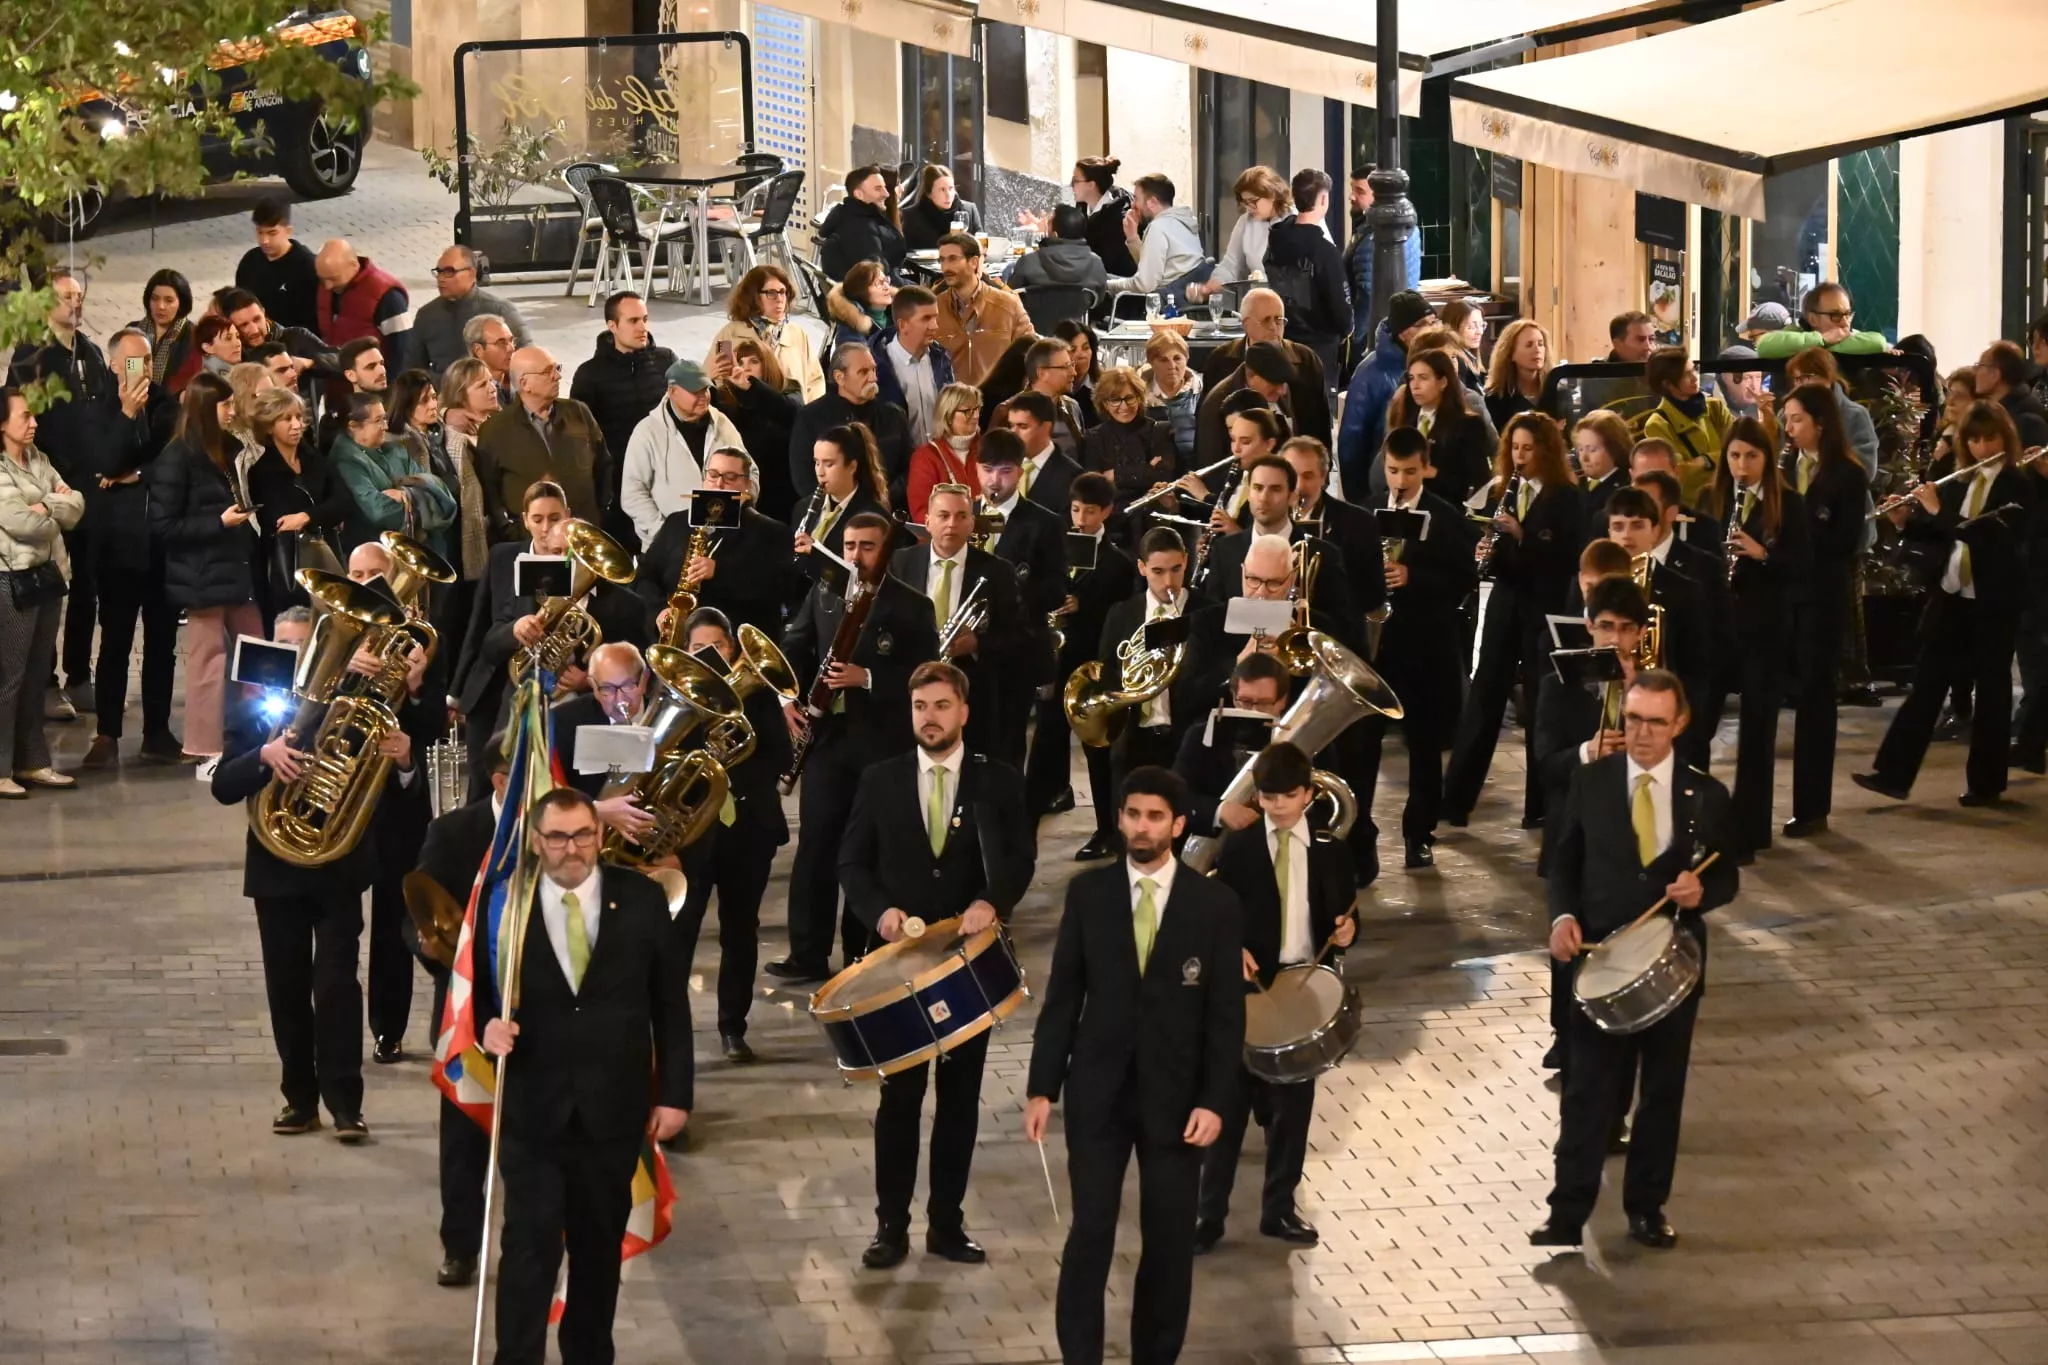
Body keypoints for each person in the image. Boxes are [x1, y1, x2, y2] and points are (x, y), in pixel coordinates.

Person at [1025, 765, 1243, 1365]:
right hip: (1098, 1094)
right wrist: (1043, 1086)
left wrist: (1215, 1100)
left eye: (1154, 816)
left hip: (1178, 1102)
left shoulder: (1215, 906)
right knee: (1090, 1234)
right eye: (1131, 814)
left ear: (1177, 824)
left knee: (1170, 1243)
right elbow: (1064, 996)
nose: (1140, 827)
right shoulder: (1088, 894)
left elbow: (1227, 1019)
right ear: (1119, 818)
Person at [475, 786, 691, 1365]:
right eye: (558, 837)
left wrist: (674, 1095)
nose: (572, 849)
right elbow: (474, 999)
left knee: (597, 1256)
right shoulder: (504, 906)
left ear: (600, 835)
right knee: (529, 1251)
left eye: (583, 835)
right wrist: (485, 1033)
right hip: (533, 1111)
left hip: (613, 1113)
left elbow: (670, 1003)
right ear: (537, 842)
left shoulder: (641, 900)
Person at [1530, 670, 1738, 1252]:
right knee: (1587, 1090)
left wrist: (1705, 894)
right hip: (1597, 962)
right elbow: (1562, 863)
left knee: (1662, 1091)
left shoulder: (1706, 796)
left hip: (1673, 966)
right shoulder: (1591, 783)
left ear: (1680, 723)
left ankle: (1647, 1207)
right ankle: (1566, 1213)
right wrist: (1561, 918)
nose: (1642, 733)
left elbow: (1725, 873)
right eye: (1634, 719)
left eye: (1655, 721)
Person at [839, 659, 1032, 1267]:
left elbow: (1020, 860)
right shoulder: (880, 780)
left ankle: (946, 1223)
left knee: (959, 1099)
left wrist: (991, 901)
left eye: (942, 706)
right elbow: (852, 865)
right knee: (899, 1101)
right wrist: (881, 914)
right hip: (900, 968)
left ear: (964, 712)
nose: (930, 718)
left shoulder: (996, 781)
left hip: (968, 966)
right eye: (921, 707)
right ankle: (889, 1226)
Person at [207, 604, 381, 1139]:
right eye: (288, 648)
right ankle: (299, 1100)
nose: (300, 658)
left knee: (335, 988)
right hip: (275, 871)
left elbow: (383, 770)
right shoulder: (253, 708)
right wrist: (265, 754)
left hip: (335, 869)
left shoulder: (359, 703)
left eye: (309, 647)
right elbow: (222, 786)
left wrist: (396, 755)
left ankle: (346, 1103)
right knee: (286, 990)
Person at [1197, 740, 1357, 1253]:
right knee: (1228, 1106)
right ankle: (1208, 1216)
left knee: (1293, 1112)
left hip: (1304, 987)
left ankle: (1279, 1209)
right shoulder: (1239, 847)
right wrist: (1232, 949)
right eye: (1267, 798)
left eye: (1287, 796)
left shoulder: (1331, 850)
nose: (1277, 806)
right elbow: (1218, 914)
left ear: (1308, 794)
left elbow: (1347, 912)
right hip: (1248, 991)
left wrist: (1352, 930)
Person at [767, 512, 939, 983]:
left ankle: (861, 952)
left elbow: (926, 676)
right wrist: (787, 696)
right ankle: (807, 952)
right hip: (829, 742)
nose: (856, 556)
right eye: (849, 546)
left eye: (867, 546)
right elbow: (794, 647)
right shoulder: (824, 594)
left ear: (885, 550)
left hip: (881, 745)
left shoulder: (913, 606)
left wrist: (867, 678)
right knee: (816, 847)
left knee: (870, 851)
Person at [1857, 400, 2034, 807]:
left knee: (1992, 690)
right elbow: (1940, 535)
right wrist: (1906, 521)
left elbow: (1993, 538)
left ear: (2004, 438)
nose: (1982, 447)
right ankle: (1892, 775)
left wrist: (1940, 511)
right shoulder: (1956, 483)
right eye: (1974, 438)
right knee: (1926, 686)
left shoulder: (2016, 484)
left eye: (1990, 438)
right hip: (1953, 596)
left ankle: (1986, 785)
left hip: (1994, 599)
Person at [1443, 413, 1584, 828]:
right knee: (1485, 694)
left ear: (1546, 450)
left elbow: (1564, 557)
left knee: (1542, 705)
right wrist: (1488, 546)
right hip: (1507, 602)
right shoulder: (1508, 488)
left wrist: (1522, 538)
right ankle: (1455, 800)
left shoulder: (1565, 497)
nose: (1521, 457)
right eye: (1515, 448)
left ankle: (1538, 807)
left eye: (1529, 448)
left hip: (1543, 604)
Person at [1352, 429, 1478, 869]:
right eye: (1392, 471)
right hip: (1377, 650)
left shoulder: (1446, 516)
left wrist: (1414, 578)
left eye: (1408, 471)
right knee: (1364, 747)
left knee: (1424, 747)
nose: (1400, 481)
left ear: (1425, 467)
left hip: (1426, 648)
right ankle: (1359, 835)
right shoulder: (1365, 512)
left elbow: (1466, 580)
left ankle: (1418, 834)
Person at [411, 737, 508, 1286]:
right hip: (467, 1016)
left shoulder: (555, 831)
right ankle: (461, 1248)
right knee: (463, 1146)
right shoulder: (453, 833)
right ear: (499, 779)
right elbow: (418, 912)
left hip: (533, 1018)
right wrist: (425, 945)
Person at [150, 374, 264, 765]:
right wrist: (220, 523)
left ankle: (262, 734)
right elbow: (163, 526)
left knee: (258, 655)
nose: (232, 412)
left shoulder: (228, 449)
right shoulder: (177, 457)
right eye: (225, 406)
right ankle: (202, 746)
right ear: (203, 409)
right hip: (201, 574)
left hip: (236, 566)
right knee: (207, 663)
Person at [83, 330, 183, 766]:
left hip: (160, 543)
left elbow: (173, 461)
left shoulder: (167, 405)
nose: (140, 370)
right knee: (116, 643)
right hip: (117, 545)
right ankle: (106, 732)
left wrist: (137, 474)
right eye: (130, 362)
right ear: (113, 365)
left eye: (145, 361)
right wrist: (126, 414)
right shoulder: (97, 408)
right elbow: (103, 463)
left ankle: (157, 731)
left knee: (162, 643)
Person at [1711, 417, 1810, 858]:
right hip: (1721, 628)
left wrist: (1762, 553)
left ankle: (1751, 829)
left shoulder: (1787, 503)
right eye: (1734, 456)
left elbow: (1803, 566)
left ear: (1767, 459)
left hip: (1765, 629)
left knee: (1757, 730)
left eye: (1751, 456)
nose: (1742, 465)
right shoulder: (1715, 499)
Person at [1024, 471, 1134, 847]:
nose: (1081, 519)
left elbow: (1119, 617)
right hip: (1056, 666)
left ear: (1106, 512)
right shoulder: (1055, 548)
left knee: (1098, 754)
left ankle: (1107, 830)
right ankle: (1024, 829)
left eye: (1090, 512)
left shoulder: (1118, 562)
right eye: (1075, 510)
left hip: (1091, 669)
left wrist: (1083, 605)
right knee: (1043, 748)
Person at [1779, 384, 1867, 838]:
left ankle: (1812, 807)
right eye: (1786, 420)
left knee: (1816, 700)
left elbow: (1841, 544)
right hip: (1783, 598)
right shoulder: (1786, 467)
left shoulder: (1846, 475)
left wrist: (1789, 539)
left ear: (1820, 421)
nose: (1788, 429)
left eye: (1795, 420)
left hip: (1821, 600)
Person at [888, 481, 1025, 760]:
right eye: (943, 516)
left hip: (972, 697)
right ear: (927, 521)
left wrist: (977, 643)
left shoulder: (998, 571)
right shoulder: (900, 563)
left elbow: (1019, 637)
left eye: (961, 516)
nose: (952, 523)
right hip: (910, 692)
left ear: (972, 523)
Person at [0, 387, 85, 796]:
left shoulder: (39, 459)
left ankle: (32, 762)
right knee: (10, 679)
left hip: (48, 576)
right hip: (11, 579)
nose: (34, 423)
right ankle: (1, 767)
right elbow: (20, 524)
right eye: (25, 416)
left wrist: (45, 507)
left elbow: (78, 504)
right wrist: (56, 506)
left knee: (36, 676)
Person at [639, 446, 802, 640]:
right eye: (713, 475)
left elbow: (781, 588)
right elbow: (645, 576)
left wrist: (721, 571)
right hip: (680, 641)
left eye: (730, 477)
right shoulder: (677, 523)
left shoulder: (772, 531)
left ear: (747, 485)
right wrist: (658, 611)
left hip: (737, 644)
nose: (719, 484)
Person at [472, 347, 612, 535]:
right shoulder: (495, 430)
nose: (557, 377)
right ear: (525, 383)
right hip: (528, 541)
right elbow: (490, 491)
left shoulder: (579, 413)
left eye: (557, 368)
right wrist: (508, 528)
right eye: (548, 372)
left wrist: (601, 512)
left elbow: (603, 465)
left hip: (584, 536)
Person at [617, 358, 747, 548]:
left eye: (705, 389)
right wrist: (665, 534)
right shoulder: (647, 432)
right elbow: (632, 493)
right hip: (667, 549)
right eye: (695, 391)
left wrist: (741, 506)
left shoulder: (722, 424)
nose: (704, 396)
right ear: (672, 391)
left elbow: (750, 472)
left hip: (721, 545)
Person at [246, 386, 352, 612]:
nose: (296, 425)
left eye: (298, 418)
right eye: (286, 419)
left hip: (328, 555)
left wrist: (307, 516)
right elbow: (281, 520)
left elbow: (344, 501)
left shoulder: (315, 459)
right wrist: (324, 513)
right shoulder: (261, 472)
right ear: (268, 426)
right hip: (290, 566)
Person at [1171, 653, 1289, 842]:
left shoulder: (1300, 738)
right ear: (1234, 696)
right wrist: (1219, 810)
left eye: (1265, 703)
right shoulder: (1201, 734)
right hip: (1216, 851)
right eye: (1246, 701)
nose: (1253, 711)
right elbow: (1174, 795)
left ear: (1282, 700)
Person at [787, 343, 915, 513]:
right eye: (863, 372)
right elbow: (803, 478)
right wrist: (841, 506)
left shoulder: (893, 416)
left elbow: (910, 469)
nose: (873, 378)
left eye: (873, 370)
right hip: (831, 517)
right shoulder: (810, 417)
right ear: (840, 377)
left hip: (887, 514)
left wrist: (883, 499)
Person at [329, 390, 458, 558]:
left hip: (422, 550)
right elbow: (379, 512)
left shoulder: (396, 449)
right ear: (353, 426)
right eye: (378, 421)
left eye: (384, 418)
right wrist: (423, 501)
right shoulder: (345, 462)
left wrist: (407, 494)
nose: (386, 426)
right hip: (378, 556)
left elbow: (438, 490)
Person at [568, 291, 676, 486]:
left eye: (645, 319)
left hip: (665, 469)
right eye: (633, 321)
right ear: (612, 326)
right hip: (618, 475)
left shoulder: (666, 360)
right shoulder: (590, 374)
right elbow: (581, 436)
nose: (642, 327)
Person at [1338, 289, 1436, 496]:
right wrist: (1359, 501)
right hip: (1384, 486)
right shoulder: (1371, 374)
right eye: (1420, 325)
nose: (1430, 330)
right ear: (1402, 332)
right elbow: (1352, 443)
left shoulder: (1440, 363)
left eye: (1433, 321)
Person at [1261, 168, 1351, 385]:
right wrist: (1347, 327)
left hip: (1283, 338)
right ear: (1323, 199)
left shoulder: (1275, 242)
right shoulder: (1324, 251)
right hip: (1319, 346)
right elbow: (1340, 307)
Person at [706, 337, 800, 520]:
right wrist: (708, 381)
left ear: (768, 365)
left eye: (754, 362)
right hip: (739, 493)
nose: (745, 367)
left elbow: (791, 411)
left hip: (779, 496)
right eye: (740, 362)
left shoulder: (789, 391)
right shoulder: (726, 401)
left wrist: (750, 387)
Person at [1383, 347, 1491, 504]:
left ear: (1443, 382)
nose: (1415, 385)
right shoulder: (1405, 420)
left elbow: (1478, 482)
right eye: (1411, 378)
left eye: (1423, 378)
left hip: (1446, 512)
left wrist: (1434, 473)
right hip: (1404, 506)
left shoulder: (1468, 425)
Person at [406, 245, 531, 377]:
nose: (441, 279)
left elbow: (528, 361)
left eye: (449, 272)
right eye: (439, 272)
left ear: (471, 273)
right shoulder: (427, 315)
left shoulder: (500, 310)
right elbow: (413, 371)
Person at [1345, 163, 1424, 368]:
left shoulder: (1376, 235)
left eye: (1360, 191)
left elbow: (1368, 290)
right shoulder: (1409, 226)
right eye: (1352, 189)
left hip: (1376, 333)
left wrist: (1354, 336)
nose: (1352, 197)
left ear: (1377, 196)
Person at [932, 232, 1033, 390]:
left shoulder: (1008, 305)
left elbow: (1032, 353)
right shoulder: (933, 308)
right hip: (951, 404)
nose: (945, 268)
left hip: (997, 401)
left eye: (952, 259)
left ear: (974, 262)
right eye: (942, 260)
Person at [712, 264, 825, 403]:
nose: (779, 299)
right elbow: (715, 381)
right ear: (753, 297)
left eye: (783, 292)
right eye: (771, 293)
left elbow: (815, 381)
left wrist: (809, 415)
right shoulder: (729, 334)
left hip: (790, 416)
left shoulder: (796, 333)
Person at [1640, 348, 1733, 507]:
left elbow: (1737, 448)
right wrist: (1717, 458)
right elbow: (1680, 474)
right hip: (1692, 509)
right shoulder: (1657, 424)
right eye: (1686, 374)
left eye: (1694, 370)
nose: (1695, 378)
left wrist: (1702, 461)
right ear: (1667, 384)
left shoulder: (1715, 407)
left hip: (1728, 498)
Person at [793, 422, 890, 573]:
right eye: (817, 463)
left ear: (852, 466)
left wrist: (818, 556)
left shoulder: (873, 516)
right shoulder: (802, 508)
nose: (820, 472)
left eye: (829, 464)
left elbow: (863, 574)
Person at [1185, 166, 1289, 305]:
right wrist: (1209, 287)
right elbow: (1231, 264)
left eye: (1253, 201)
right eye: (1245, 202)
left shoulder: (1296, 219)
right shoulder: (1246, 221)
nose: (1249, 208)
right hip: (1257, 304)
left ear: (1272, 194)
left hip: (1289, 305)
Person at [1083, 365, 1178, 518]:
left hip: (1151, 519)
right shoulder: (1094, 437)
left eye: (1129, 398)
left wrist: (1115, 475)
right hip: (1112, 521)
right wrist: (1146, 469)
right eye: (1115, 400)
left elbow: (1164, 476)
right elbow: (1094, 488)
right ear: (1105, 404)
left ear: (1139, 397)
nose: (1124, 406)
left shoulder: (1160, 430)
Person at [870, 284, 954, 448]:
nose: (935, 326)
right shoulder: (876, 368)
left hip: (939, 461)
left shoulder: (941, 359)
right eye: (926, 319)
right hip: (900, 469)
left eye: (935, 317)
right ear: (903, 325)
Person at [1104, 172, 1205, 300]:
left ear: (1152, 202)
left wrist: (1107, 286)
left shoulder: (1158, 227)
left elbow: (1145, 284)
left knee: (1101, 282)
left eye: (1136, 198)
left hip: (1165, 305)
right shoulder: (1182, 222)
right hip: (1183, 297)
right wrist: (1133, 237)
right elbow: (1151, 268)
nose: (1133, 204)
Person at [312, 238, 411, 361]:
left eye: (333, 278)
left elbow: (402, 350)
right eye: (322, 279)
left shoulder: (388, 296)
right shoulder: (327, 285)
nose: (327, 286)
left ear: (353, 265)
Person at [989, 344, 1089, 463]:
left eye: (1072, 365)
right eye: (1066, 367)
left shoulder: (1072, 407)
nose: (1074, 372)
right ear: (1042, 373)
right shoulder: (1007, 411)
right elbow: (994, 464)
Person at [235, 197, 321, 333]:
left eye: (272, 233)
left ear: (288, 231)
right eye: (260, 232)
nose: (264, 241)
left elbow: (315, 320)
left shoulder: (307, 267)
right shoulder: (250, 261)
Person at [906, 382, 983, 521]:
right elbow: (921, 513)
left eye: (977, 408)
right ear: (947, 415)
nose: (976, 415)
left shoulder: (988, 449)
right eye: (967, 411)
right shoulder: (925, 457)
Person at [817, 165, 907, 282]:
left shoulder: (850, 215)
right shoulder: (861, 227)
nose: (887, 194)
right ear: (859, 194)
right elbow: (875, 279)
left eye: (885, 187)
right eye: (878, 189)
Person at [1755, 281, 1889, 359]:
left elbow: (1878, 342)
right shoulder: (1796, 332)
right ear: (1812, 319)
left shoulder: (1851, 334)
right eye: (1835, 315)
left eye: (1847, 314)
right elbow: (1764, 345)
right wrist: (1822, 339)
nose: (1845, 322)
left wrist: (1815, 347)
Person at [1008, 204, 1110, 294]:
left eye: (1048, 224)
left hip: (1034, 315)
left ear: (1055, 235)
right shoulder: (1096, 264)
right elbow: (1099, 298)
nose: (1046, 228)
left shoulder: (1028, 262)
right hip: (1080, 315)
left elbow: (1010, 297)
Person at [1973, 340, 2048, 450]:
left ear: (1995, 375)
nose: (1974, 372)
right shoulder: (1992, 409)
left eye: (1979, 366)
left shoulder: (2027, 421)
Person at [132, 269, 195, 386]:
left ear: (181, 303)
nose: (160, 306)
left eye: (169, 300)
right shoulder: (134, 332)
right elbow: (126, 373)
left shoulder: (192, 337)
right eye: (155, 299)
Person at [900, 163, 984, 251]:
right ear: (929, 194)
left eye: (951, 188)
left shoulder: (969, 210)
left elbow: (980, 247)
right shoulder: (910, 216)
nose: (948, 195)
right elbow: (905, 253)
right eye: (942, 190)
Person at [824, 259, 897, 353]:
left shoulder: (897, 313)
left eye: (886, 281)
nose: (887, 287)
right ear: (861, 291)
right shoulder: (851, 327)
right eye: (878, 283)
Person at [465, 313, 518, 409]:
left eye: (511, 341)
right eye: (501, 343)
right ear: (478, 350)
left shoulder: (522, 378)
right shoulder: (465, 390)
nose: (511, 348)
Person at [1053, 320, 1101, 427]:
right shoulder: (1052, 392)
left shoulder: (1103, 387)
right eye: (1072, 350)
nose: (1081, 355)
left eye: (1086, 348)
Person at [1437, 298, 1489, 393]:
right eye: (1471, 327)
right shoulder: (1454, 361)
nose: (1480, 332)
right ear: (1452, 328)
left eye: (1482, 325)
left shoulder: (1470, 357)